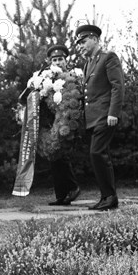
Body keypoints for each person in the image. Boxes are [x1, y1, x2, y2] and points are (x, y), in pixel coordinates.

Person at [75, 24, 124, 211]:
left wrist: (113, 113)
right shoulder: (88, 63)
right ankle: (107, 197)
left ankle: (109, 197)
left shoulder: (108, 58)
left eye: (84, 41)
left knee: (97, 153)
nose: (80, 46)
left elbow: (117, 86)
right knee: (99, 155)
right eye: (78, 43)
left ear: (95, 39)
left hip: (105, 115)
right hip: (93, 119)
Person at [44, 45, 81, 206]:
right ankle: (61, 195)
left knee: (59, 152)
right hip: (52, 121)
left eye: (60, 59)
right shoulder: (46, 78)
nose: (58, 62)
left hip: (70, 120)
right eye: (54, 59)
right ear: (49, 62)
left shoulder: (72, 76)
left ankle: (73, 188)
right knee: (54, 156)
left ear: (66, 60)